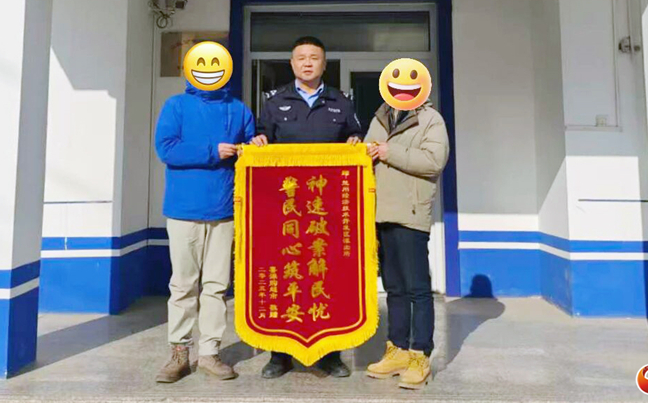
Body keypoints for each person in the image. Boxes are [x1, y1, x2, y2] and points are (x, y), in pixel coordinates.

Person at [251, 35, 363, 378]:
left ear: (324, 64)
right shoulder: (274, 102)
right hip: (285, 211)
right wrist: (259, 142)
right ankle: (279, 355)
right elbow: (261, 137)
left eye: (314, 57)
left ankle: (330, 354)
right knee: (288, 277)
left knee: (328, 277)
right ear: (292, 63)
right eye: (301, 57)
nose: (307, 63)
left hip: (326, 212)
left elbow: (355, 138)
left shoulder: (341, 102)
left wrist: (355, 142)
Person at [154, 78, 255, 383]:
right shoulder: (176, 106)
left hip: (224, 211)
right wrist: (212, 151)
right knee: (183, 285)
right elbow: (166, 149)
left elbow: (250, 149)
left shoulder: (238, 109)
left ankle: (210, 352)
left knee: (216, 286)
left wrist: (254, 146)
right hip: (183, 211)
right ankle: (179, 353)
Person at [364, 99, 449, 389]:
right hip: (381, 213)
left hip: (411, 214)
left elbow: (434, 161)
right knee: (394, 288)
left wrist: (389, 151)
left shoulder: (430, 119)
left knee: (417, 289)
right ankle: (397, 350)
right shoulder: (381, 116)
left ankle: (420, 355)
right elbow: (368, 150)